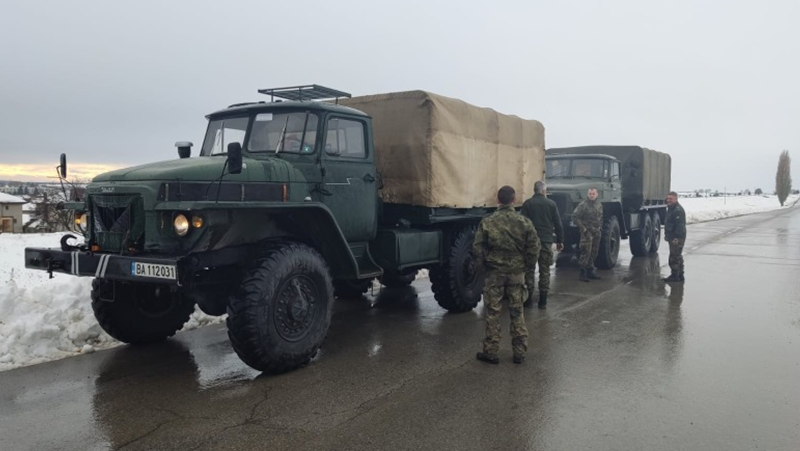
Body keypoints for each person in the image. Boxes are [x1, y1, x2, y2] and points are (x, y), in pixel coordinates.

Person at [472, 186, 540, 364]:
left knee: (493, 312)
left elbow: (477, 248)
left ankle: (491, 351)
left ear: (497, 199)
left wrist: (482, 268)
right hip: (516, 273)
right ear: (513, 199)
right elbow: (534, 247)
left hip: (494, 273)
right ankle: (519, 352)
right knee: (517, 311)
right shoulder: (524, 222)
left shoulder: (488, 221)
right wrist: (527, 267)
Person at [520, 181, 564, 309]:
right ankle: (543, 301)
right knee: (544, 271)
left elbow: (522, 223)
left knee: (529, 270)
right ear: (544, 191)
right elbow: (558, 223)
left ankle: (528, 301)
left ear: (534, 190)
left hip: (530, 243)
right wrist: (560, 240)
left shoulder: (528, 204)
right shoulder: (551, 204)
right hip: (546, 242)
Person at [572, 187, 603, 282]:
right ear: (588, 194)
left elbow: (600, 217)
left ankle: (590, 271)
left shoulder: (599, 204)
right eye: (590, 194)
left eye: (593, 194)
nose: (591, 195)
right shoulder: (583, 205)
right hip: (587, 232)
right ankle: (583, 273)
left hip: (596, 231)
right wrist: (584, 229)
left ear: (597, 194)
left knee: (594, 251)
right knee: (586, 251)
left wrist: (600, 227)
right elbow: (575, 217)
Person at [662, 191, 686, 282]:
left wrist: (676, 238)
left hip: (677, 237)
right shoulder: (671, 208)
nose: (668, 200)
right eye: (668, 198)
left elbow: (680, 225)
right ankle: (680, 275)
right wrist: (667, 235)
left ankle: (675, 275)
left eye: (671, 199)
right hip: (672, 236)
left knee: (674, 256)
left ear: (676, 199)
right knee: (678, 255)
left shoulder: (678, 210)